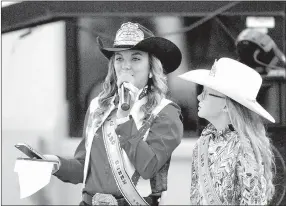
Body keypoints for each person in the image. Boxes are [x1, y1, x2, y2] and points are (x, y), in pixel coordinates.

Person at [45, 22, 184, 206]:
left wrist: (125, 119)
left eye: (135, 58)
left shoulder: (165, 111)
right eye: (119, 58)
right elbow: (83, 168)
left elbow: (148, 168)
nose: (125, 66)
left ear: (152, 69)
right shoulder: (98, 106)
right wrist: (55, 164)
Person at [178, 57, 275, 205]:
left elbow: (253, 201)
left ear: (226, 105)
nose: (199, 97)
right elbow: (195, 196)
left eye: (206, 93)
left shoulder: (244, 147)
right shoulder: (202, 142)